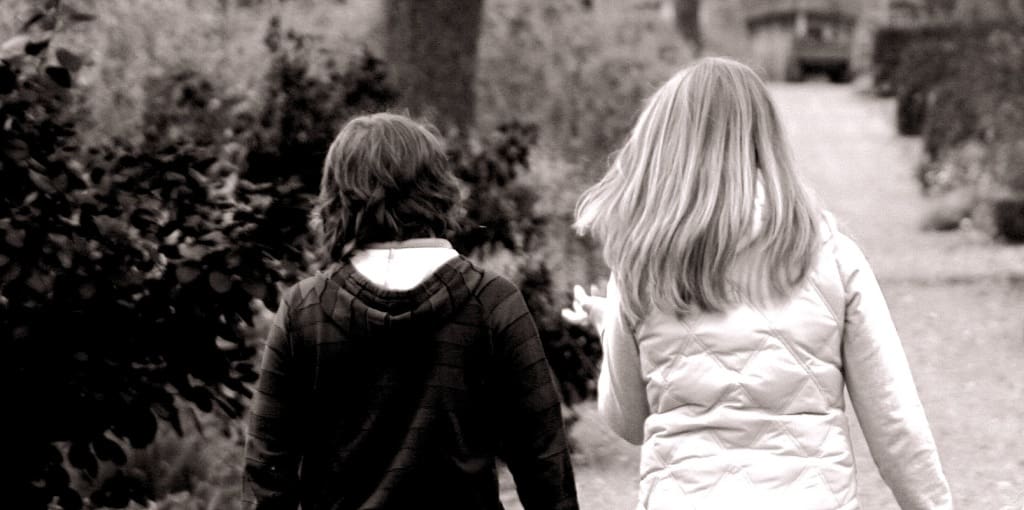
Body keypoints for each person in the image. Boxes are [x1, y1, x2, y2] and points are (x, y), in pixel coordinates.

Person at [563, 58, 953, 509]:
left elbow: (629, 420)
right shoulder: (832, 254)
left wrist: (612, 324)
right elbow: (894, 420)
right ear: (765, 140)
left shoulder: (640, 266)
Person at [243, 112, 579, 510]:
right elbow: (544, 465)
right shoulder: (491, 302)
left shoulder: (305, 309)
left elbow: (268, 470)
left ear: (338, 196)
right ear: (437, 190)